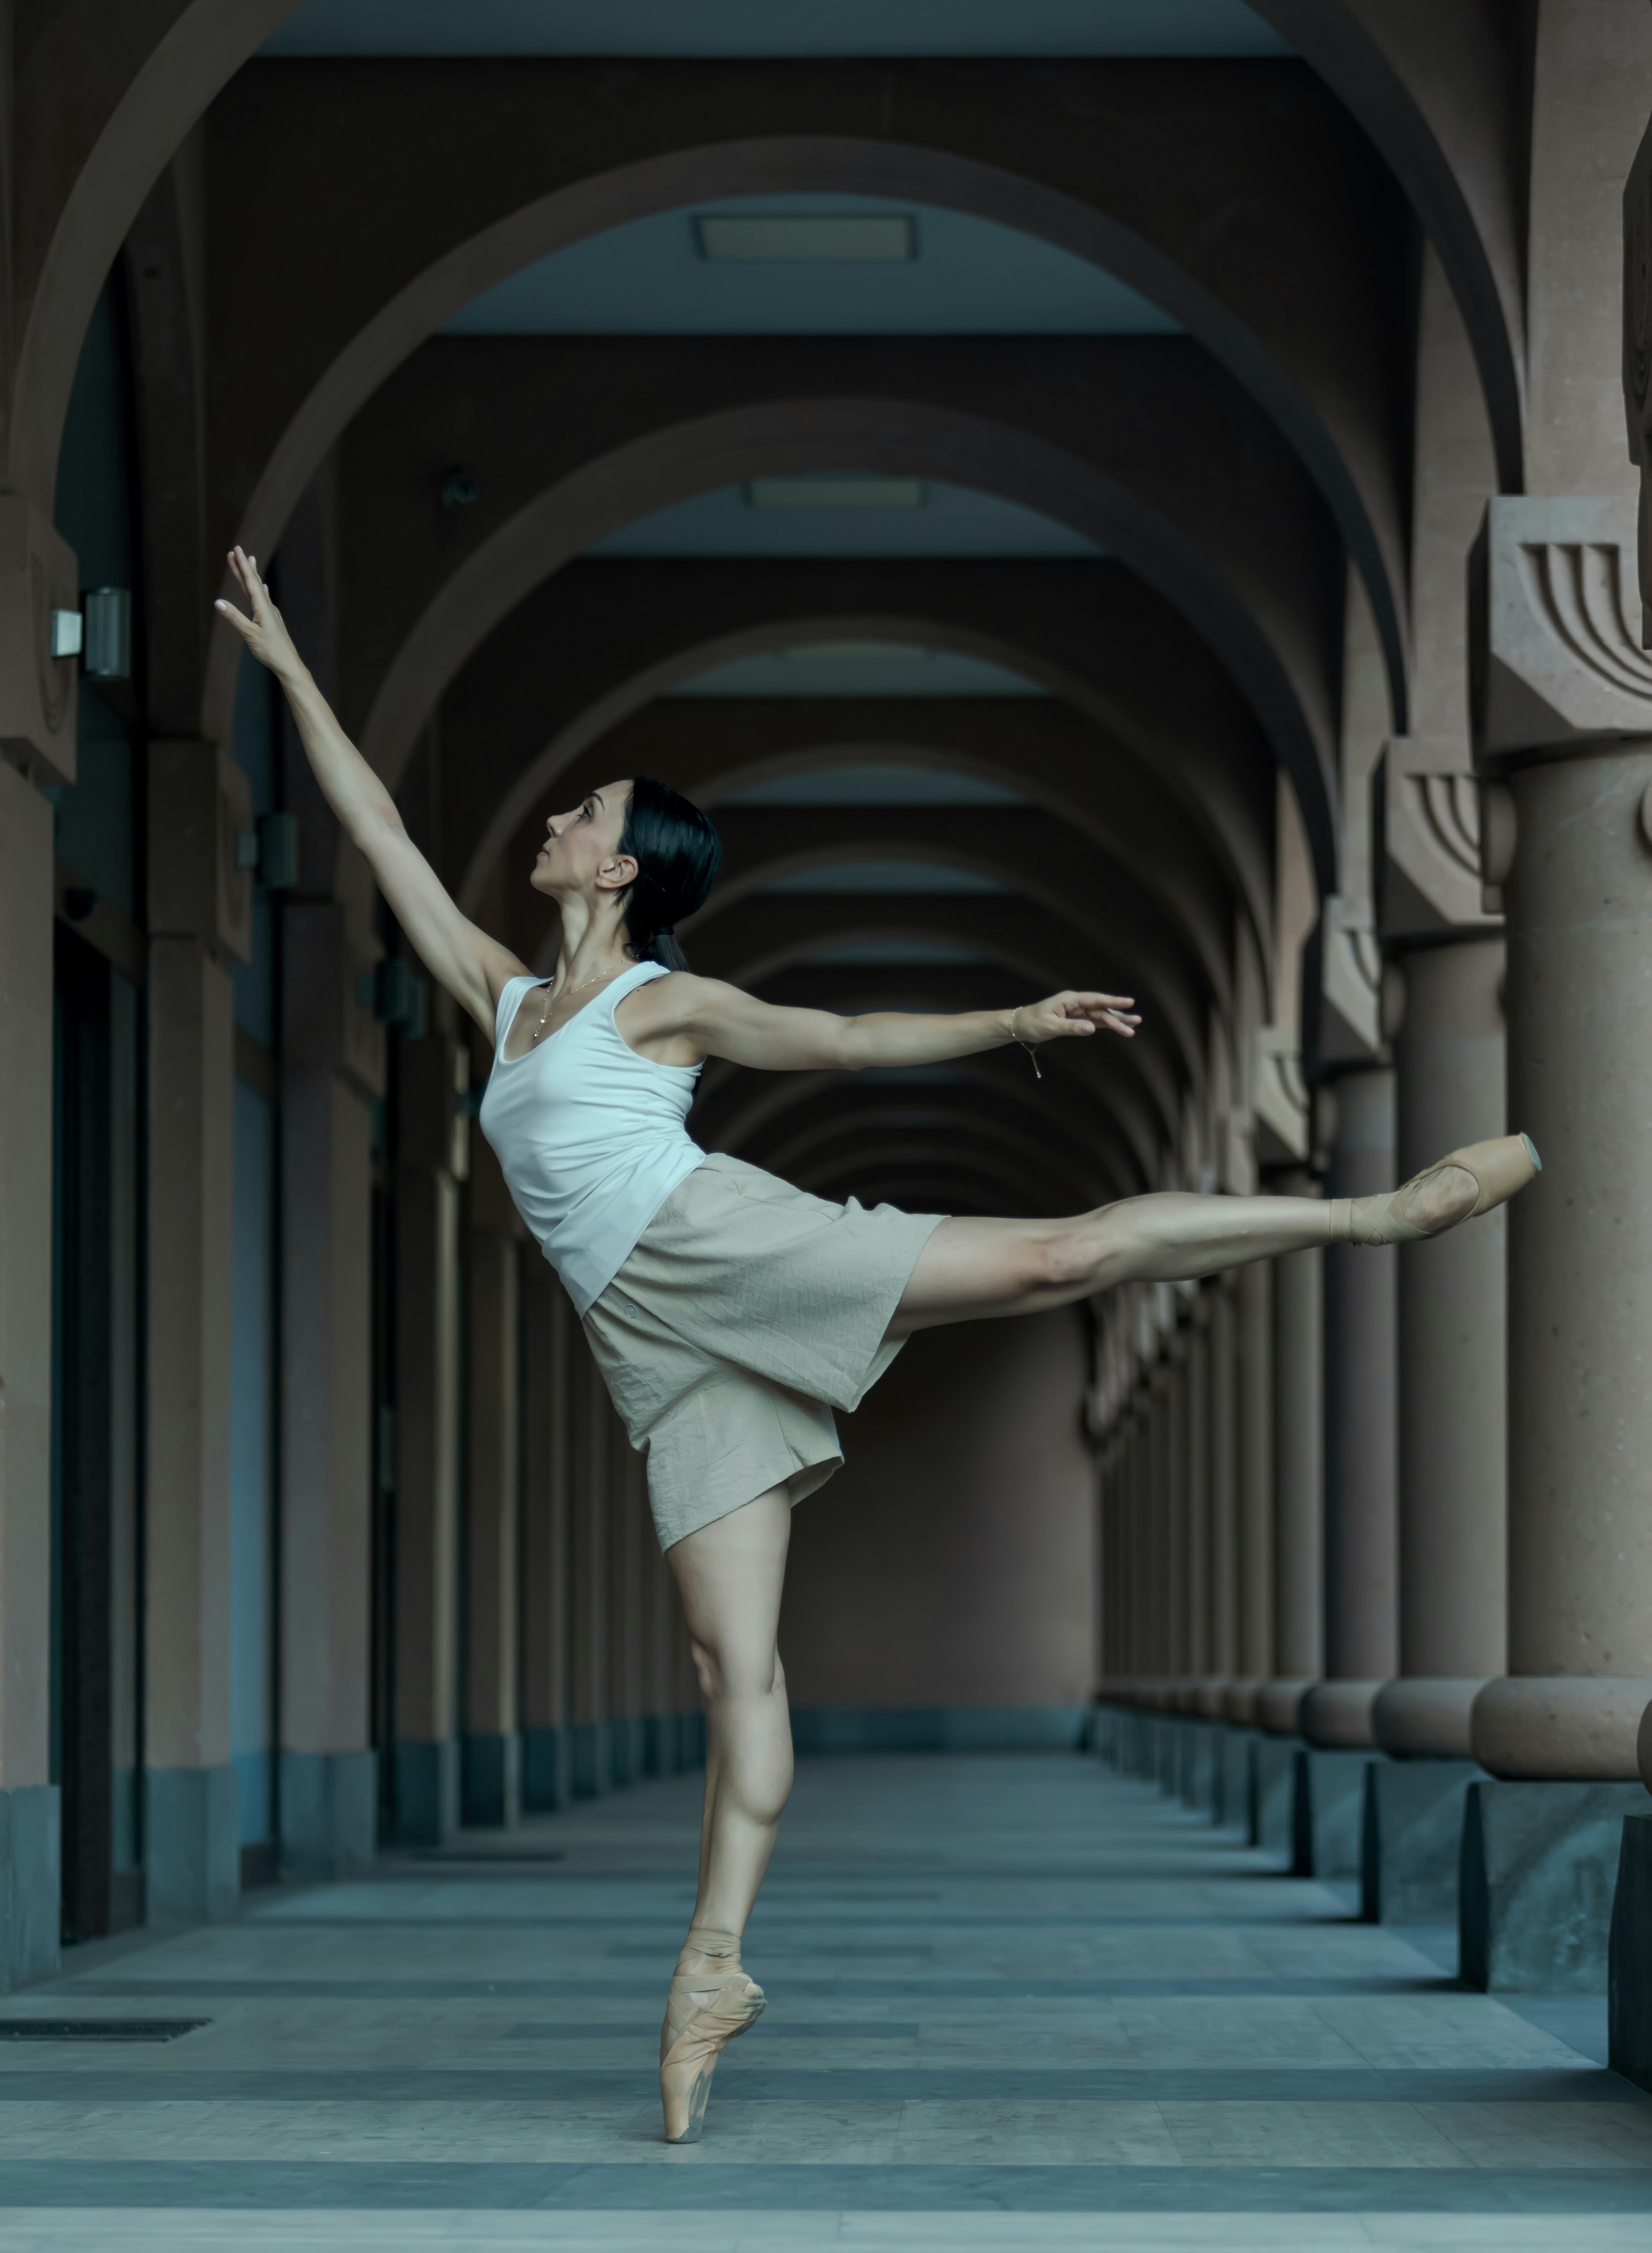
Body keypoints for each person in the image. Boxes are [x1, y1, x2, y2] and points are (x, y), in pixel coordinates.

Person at [215, 545, 1540, 2145]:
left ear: (625, 868)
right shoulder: (499, 1001)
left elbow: (839, 1043)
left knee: (1058, 1257)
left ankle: (1375, 1218)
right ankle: (713, 1966)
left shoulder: (658, 1008)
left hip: (731, 1248)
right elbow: (379, 834)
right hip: (654, 1349)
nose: (555, 822)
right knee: (730, 1667)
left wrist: (1009, 1025)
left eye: (584, 812)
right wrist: (287, 671)